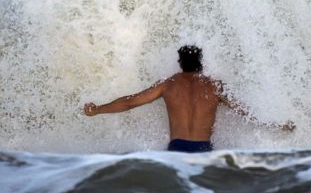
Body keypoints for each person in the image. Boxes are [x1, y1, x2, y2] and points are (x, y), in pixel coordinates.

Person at [84, 45, 295, 153]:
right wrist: (275, 126)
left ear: (180, 62)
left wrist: (98, 109)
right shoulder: (215, 86)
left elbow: (130, 102)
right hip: (204, 149)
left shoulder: (168, 84)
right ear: (201, 62)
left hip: (177, 149)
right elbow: (245, 114)